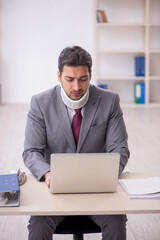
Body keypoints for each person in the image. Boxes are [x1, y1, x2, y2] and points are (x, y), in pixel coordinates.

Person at [23, 45, 130, 240]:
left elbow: (120, 148)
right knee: (38, 224)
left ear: (90, 75)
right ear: (58, 76)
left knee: (116, 220)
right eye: (69, 79)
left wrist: (105, 175)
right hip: (54, 189)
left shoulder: (110, 101)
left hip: (97, 189)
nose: (76, 87)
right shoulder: (40, 103)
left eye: (83, 79)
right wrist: (48, 173)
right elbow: (31, 151)